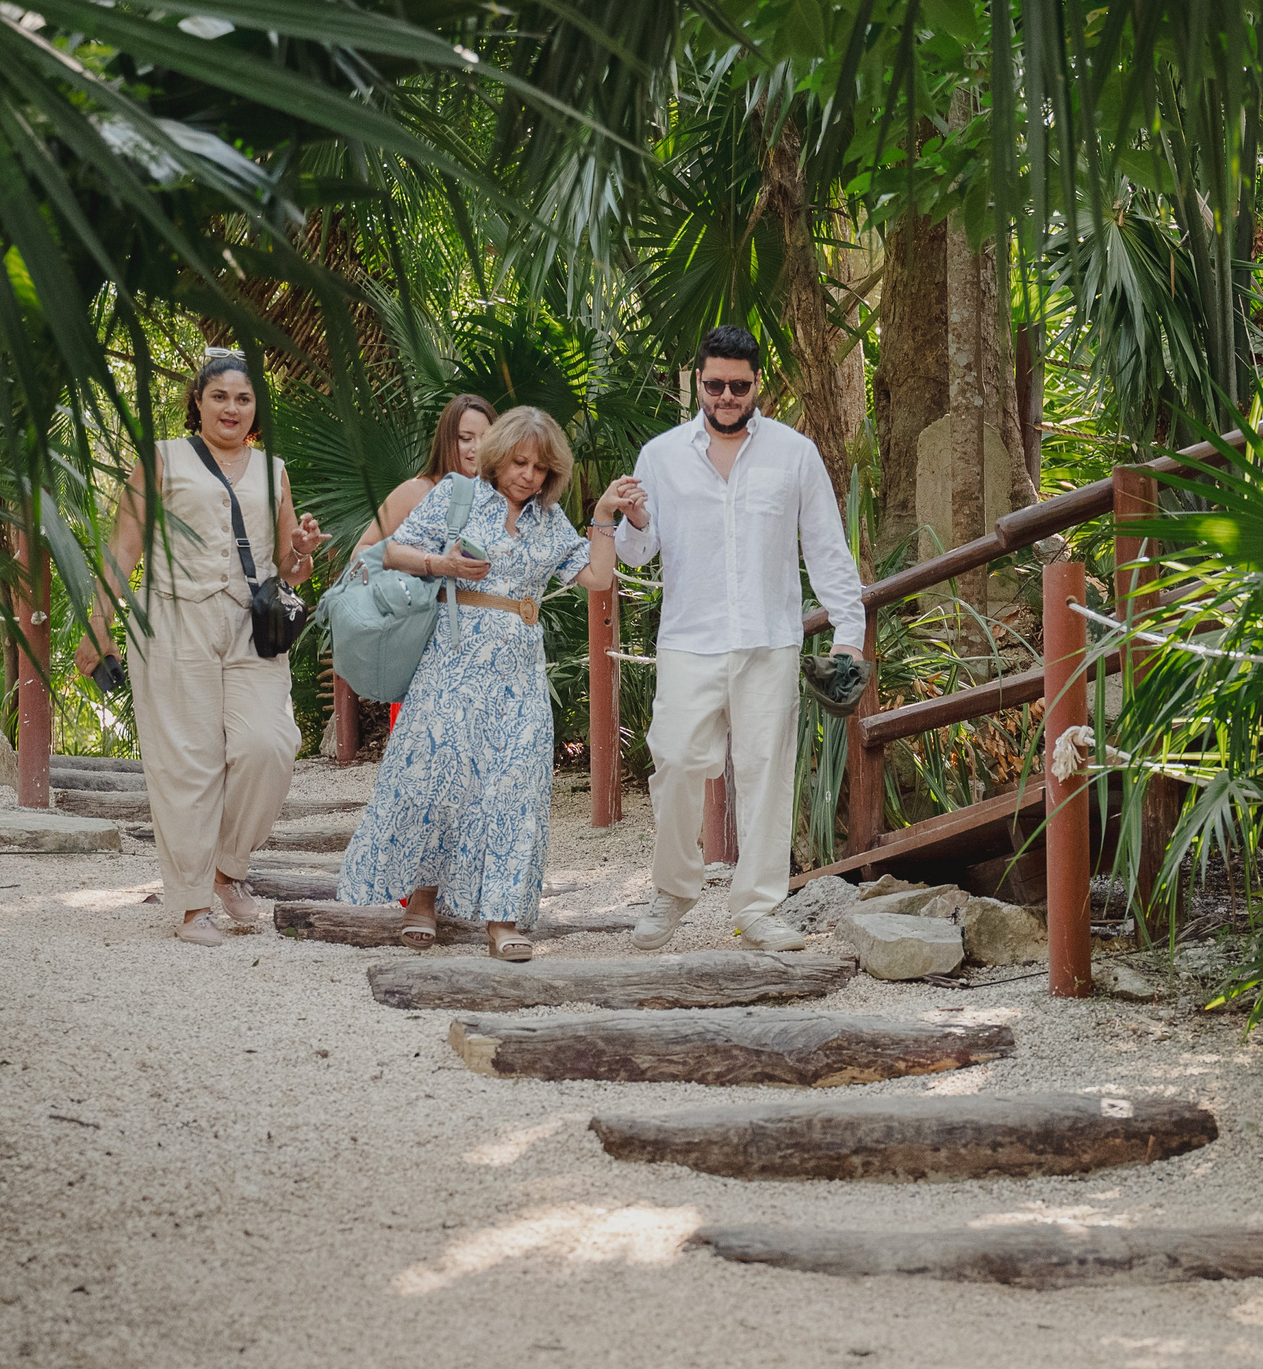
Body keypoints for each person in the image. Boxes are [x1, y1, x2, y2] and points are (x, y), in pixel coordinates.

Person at [335, 406, 634, 960]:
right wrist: (440, 564)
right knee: (439, 778)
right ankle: (422, 901)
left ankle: (502, 920)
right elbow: (383, 551)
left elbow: (595, 577)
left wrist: (602, 517)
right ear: (498, 457)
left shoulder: (551, 520)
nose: (529, 475)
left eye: (541, 468)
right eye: (520, 462)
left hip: (520, 669)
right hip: (453, 658)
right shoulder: (457, 494)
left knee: (516, 788)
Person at [615, 324, 866, 952]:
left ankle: (758, 909)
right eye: (714, 385)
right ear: (698, 381)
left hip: (767, 640)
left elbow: (827, 550)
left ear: (759, 385)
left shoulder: (796, 453)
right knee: (673, 762)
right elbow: (638, 554)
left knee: (767, 774)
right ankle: (672, 893)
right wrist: (637, 521)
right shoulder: (661, 454)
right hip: (688, 640)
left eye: (738, 386)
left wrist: (849, 632)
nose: (726, 396)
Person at [76, 350, 325, 947]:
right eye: (220, 397)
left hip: (252, 623)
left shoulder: (274, 470)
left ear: (255, 408)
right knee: (186, 761)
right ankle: (192, 906)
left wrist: (304, 550)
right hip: (172, 617)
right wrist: (98, 624)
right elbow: (124, 549)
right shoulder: (159, 458)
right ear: (199, 403)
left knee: (270, 744)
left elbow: (289, 572)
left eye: (243, 398)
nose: (232, 408)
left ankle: (228, 867)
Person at [355, 393, 494, 734]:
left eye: (486, 438)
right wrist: (426, 567)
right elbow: (364, 553)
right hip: (422, 641)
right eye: (465, 438)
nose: (476, 447)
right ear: (448, 440)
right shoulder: (417, 491)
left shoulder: (503, 499)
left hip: (486, 648)